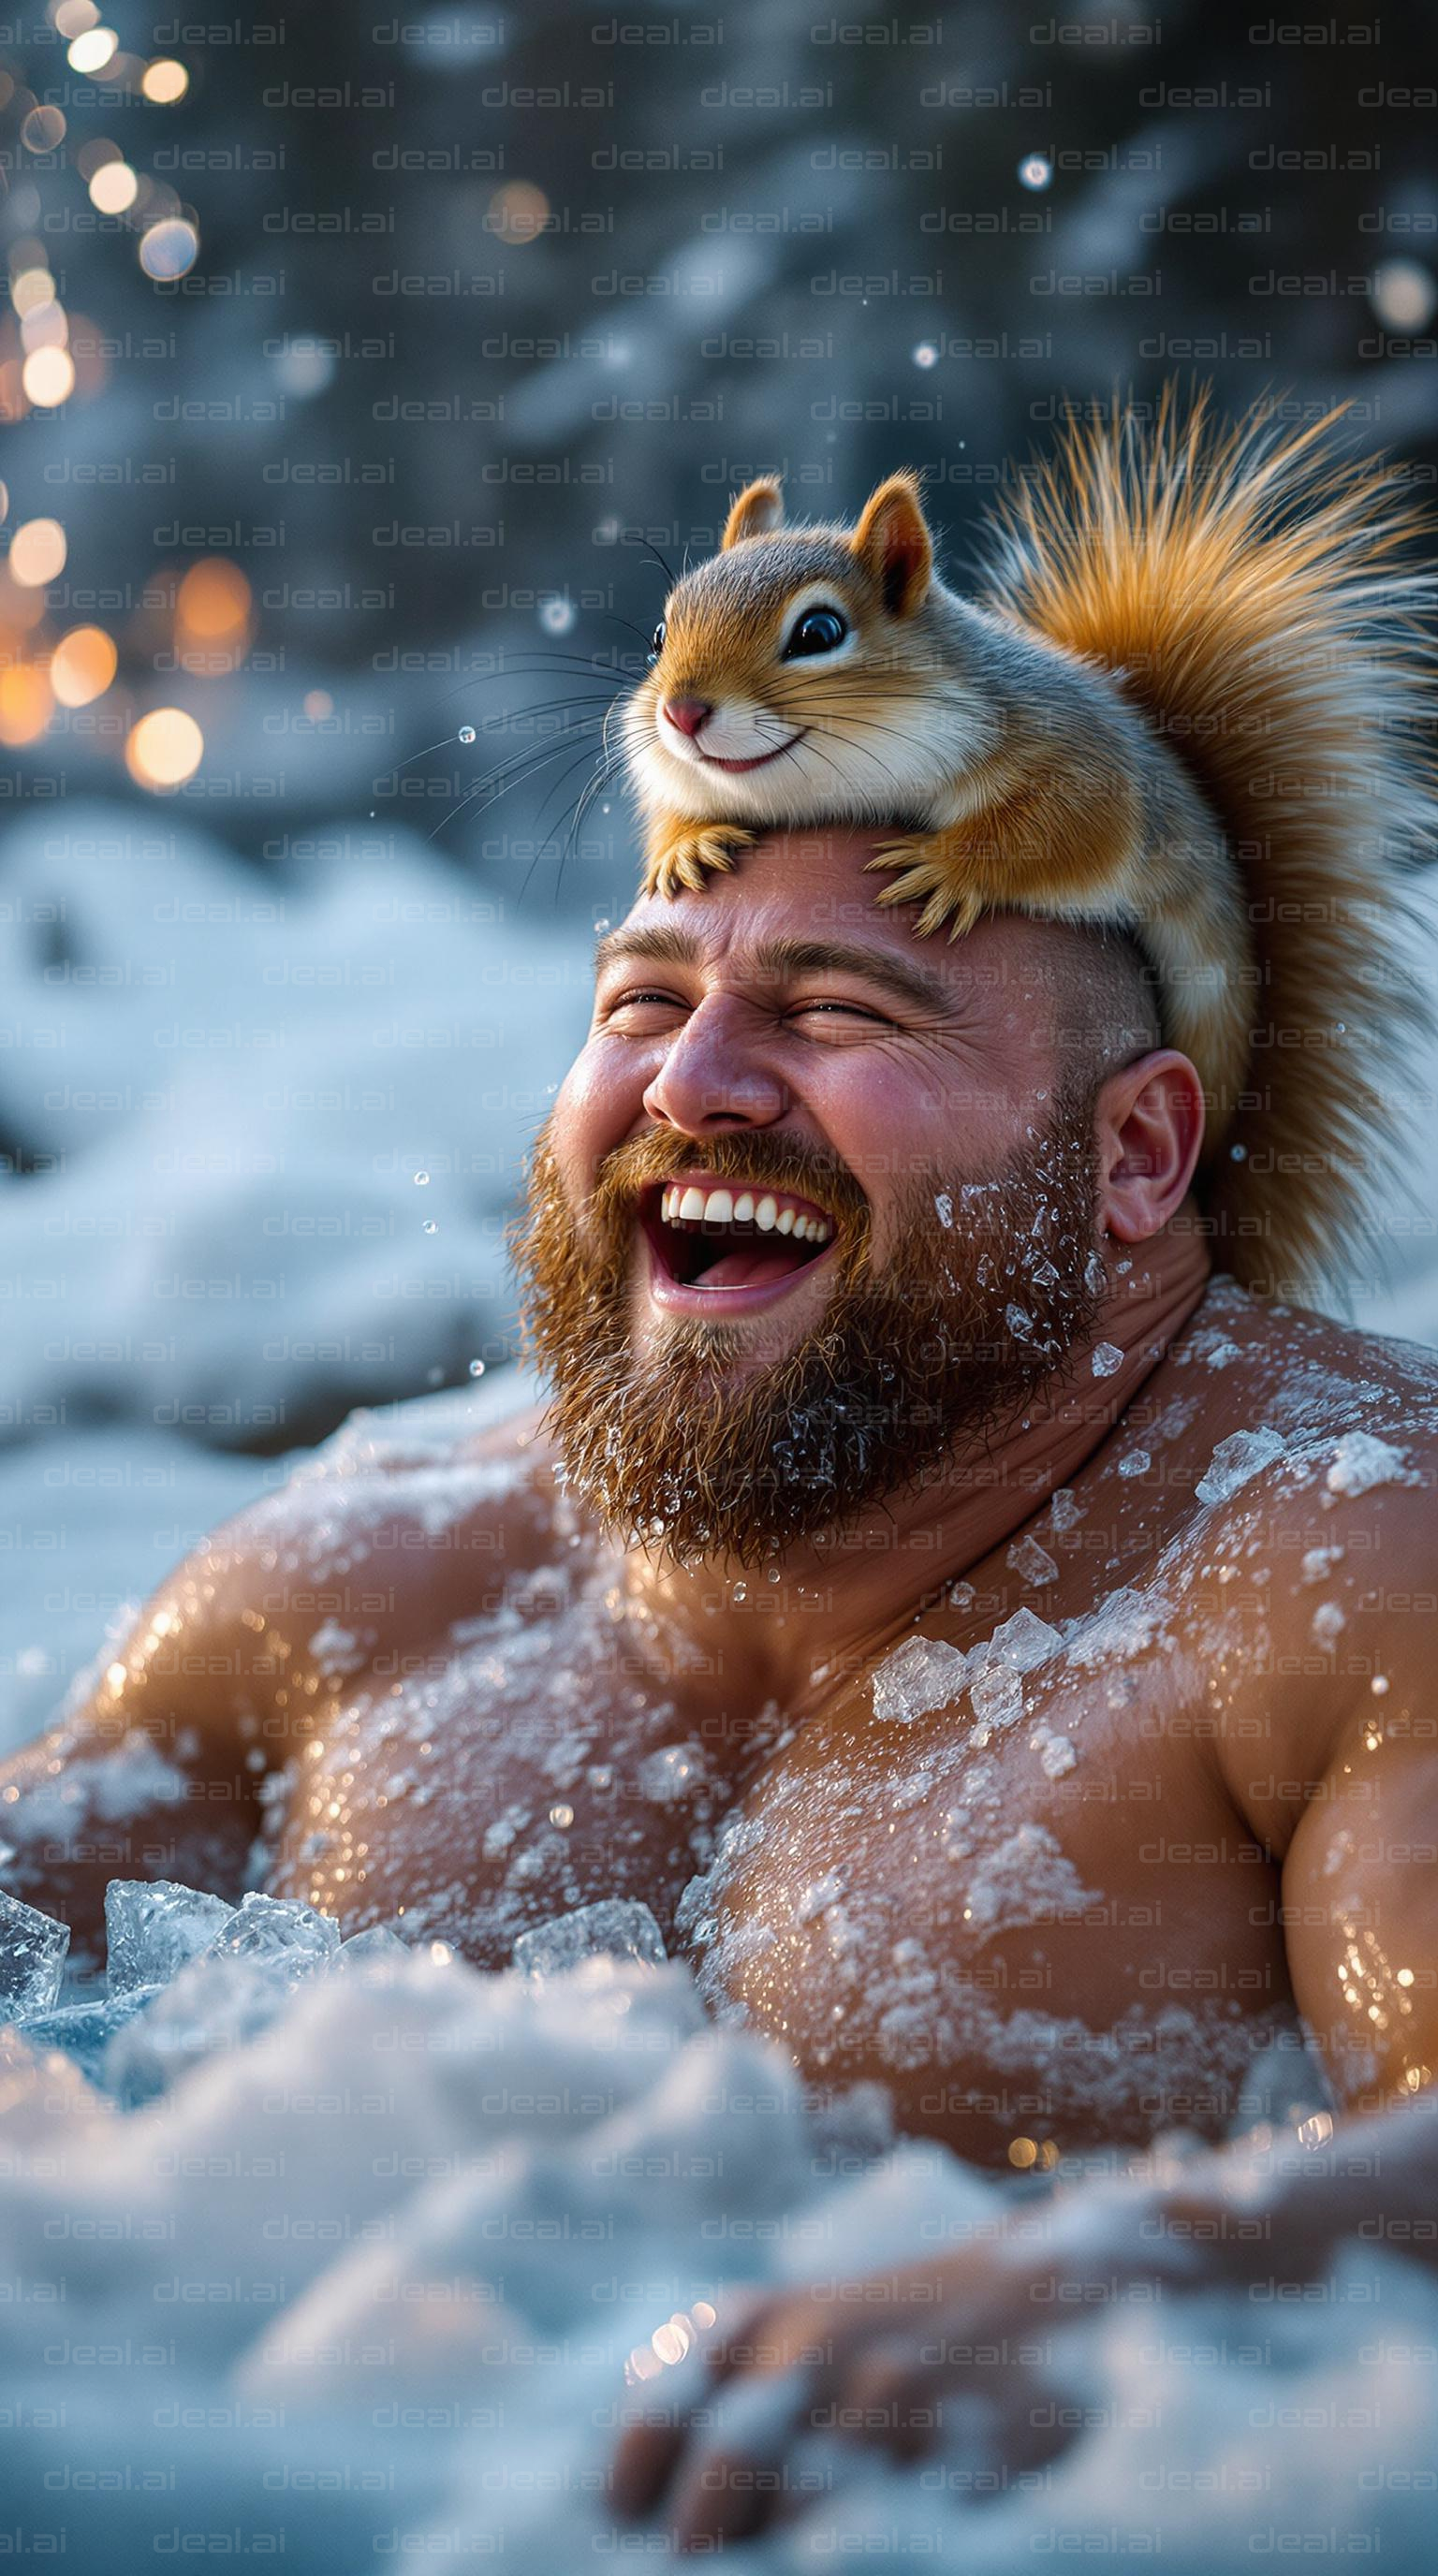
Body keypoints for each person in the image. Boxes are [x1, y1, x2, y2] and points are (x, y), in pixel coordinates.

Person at [4, 397, 1438, 2547]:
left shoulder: (1331, 1569)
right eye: (641, 992)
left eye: (842, 1012)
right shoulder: (356, 1588)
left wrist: (1143, 2288)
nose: (693, 1080)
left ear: (1140, 1152)